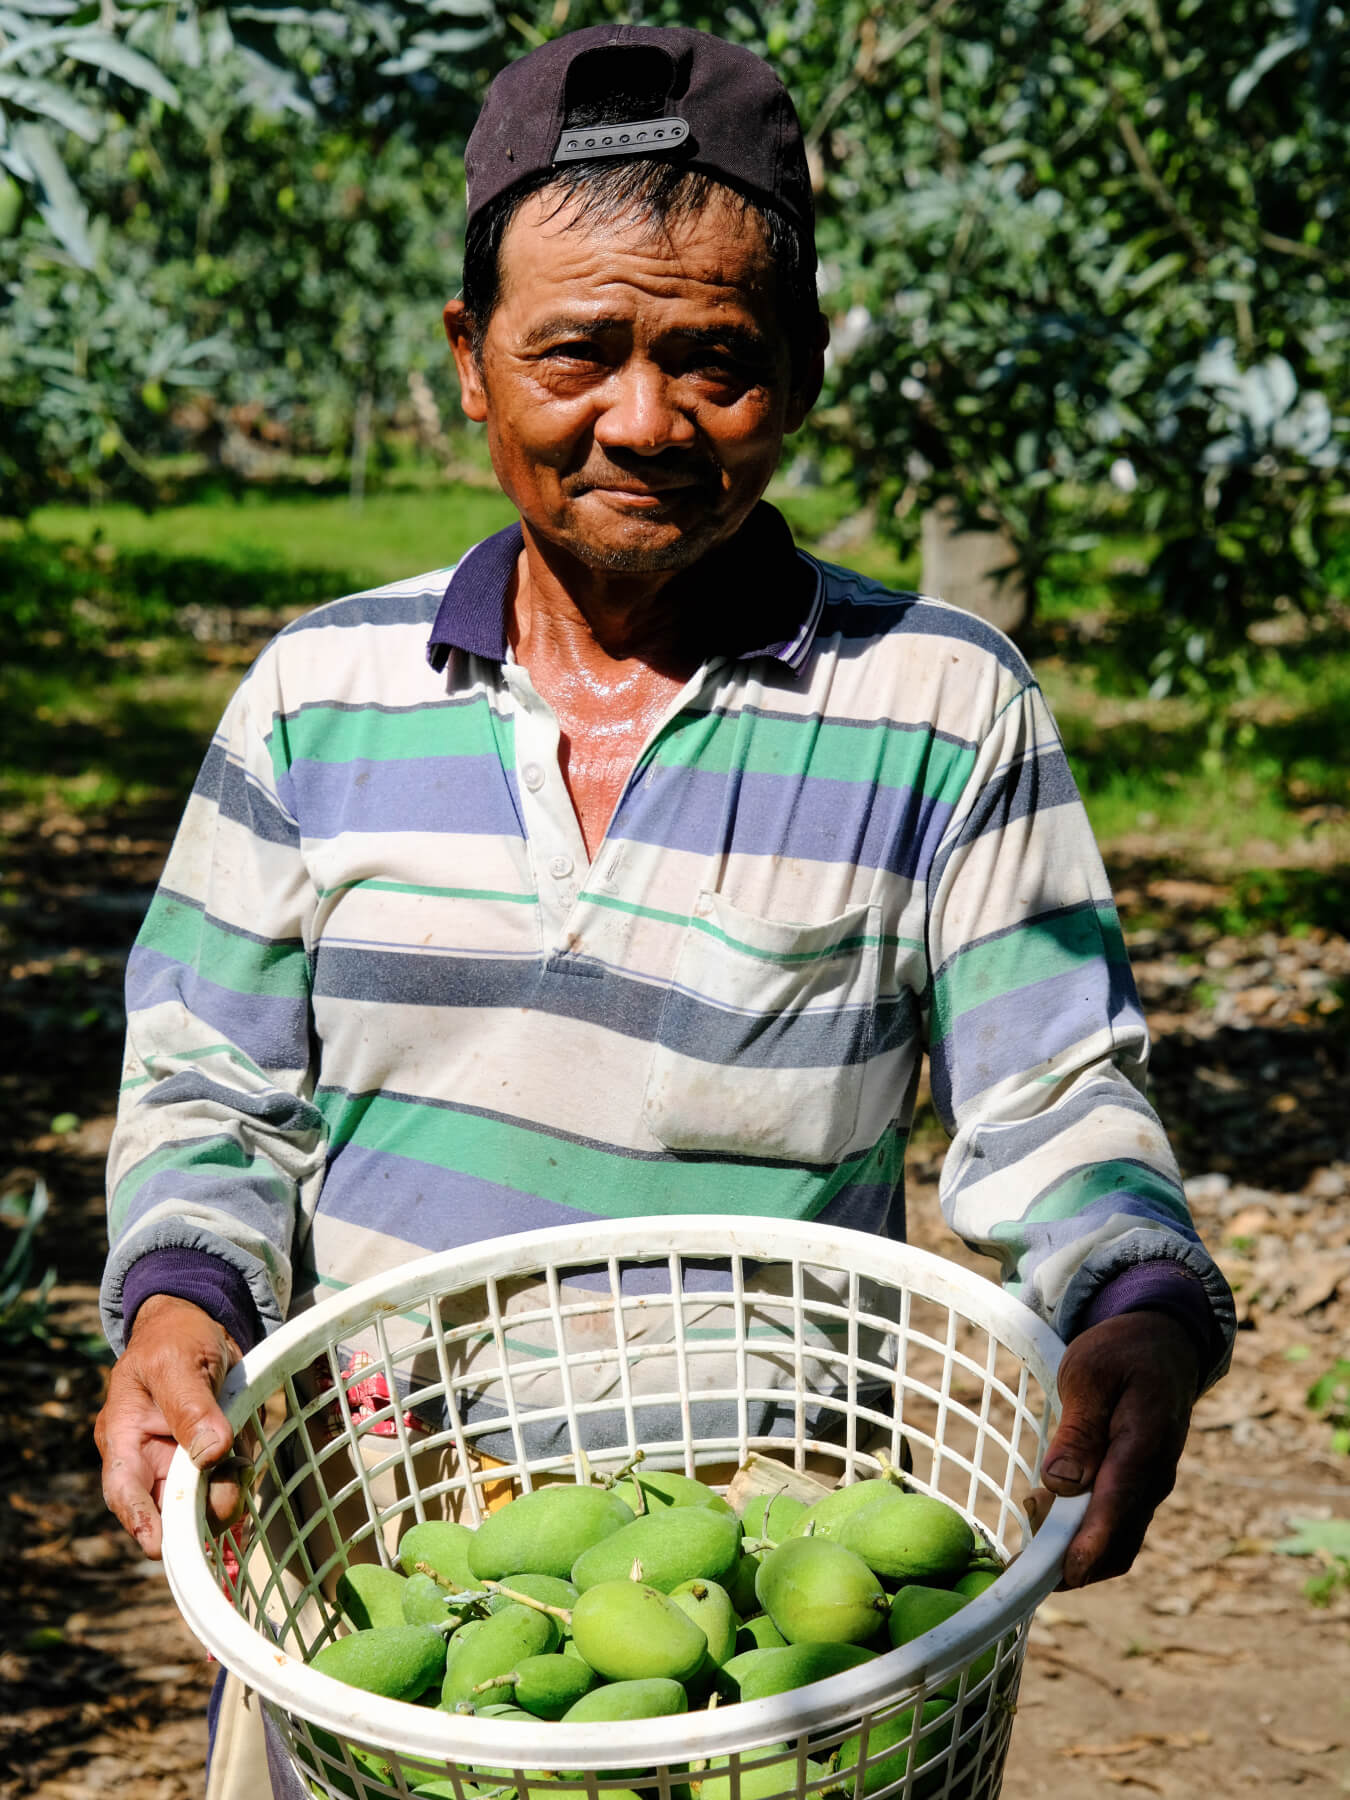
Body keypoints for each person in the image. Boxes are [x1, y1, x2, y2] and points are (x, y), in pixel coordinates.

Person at [95, 21, 1234, 1795]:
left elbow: (1052, 1095)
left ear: (804, 367)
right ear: (471, 362)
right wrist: (177, 1305)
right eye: (577, 353)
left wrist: (1137, 1304)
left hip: (775, 1588)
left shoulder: (939, 704)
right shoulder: (321, 693)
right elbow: (206, 1088)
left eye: (713, 359)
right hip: (386, 1574)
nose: (643, 421)